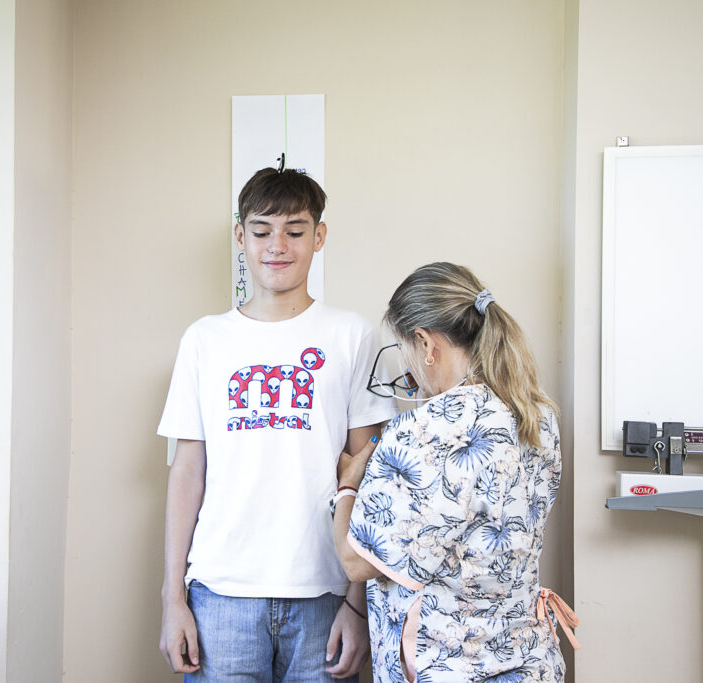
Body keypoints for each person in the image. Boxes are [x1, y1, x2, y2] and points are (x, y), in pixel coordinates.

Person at [157, 166, 395, 681]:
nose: (277, 246)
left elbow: (371, 475)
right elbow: (187, 471)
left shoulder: (352, 336)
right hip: (220, 593)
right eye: (262, 231)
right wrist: (172, 596)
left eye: (295, 231)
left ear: (319, 236)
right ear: (240, 236)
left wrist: (357, 605)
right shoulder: (204, 340)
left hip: (326, 593)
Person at [331, 262, 577, 682]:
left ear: (426, 343)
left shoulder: (423, 429)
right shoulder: (537, 413)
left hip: (449, 666)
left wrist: (348, 486)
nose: (409, 368)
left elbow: (356, 562)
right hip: (528, 660)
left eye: (405, 349)